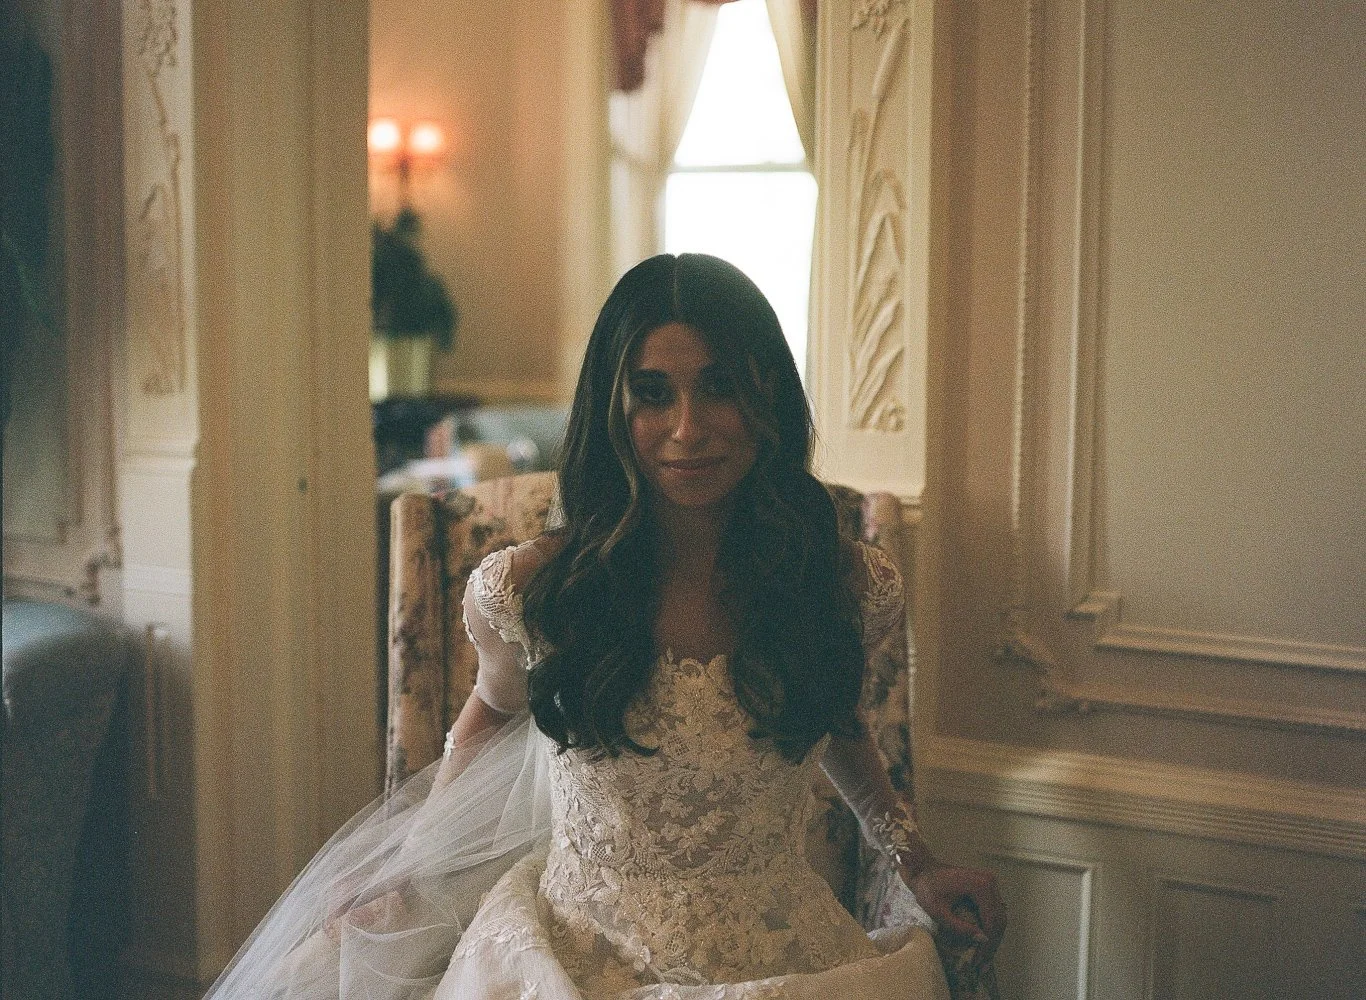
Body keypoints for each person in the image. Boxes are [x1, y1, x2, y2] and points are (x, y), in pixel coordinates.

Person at [206, 253, 1005, 999]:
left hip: (780, 955)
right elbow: (487, 716)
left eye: (719, 387)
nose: (687, 429)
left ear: (766, 400)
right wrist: (415, 861)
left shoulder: (840, 584)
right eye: (653, 393)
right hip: (572, 957)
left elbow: (833, 722)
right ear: (613, 409)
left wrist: (917, 863)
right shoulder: (536, 590)